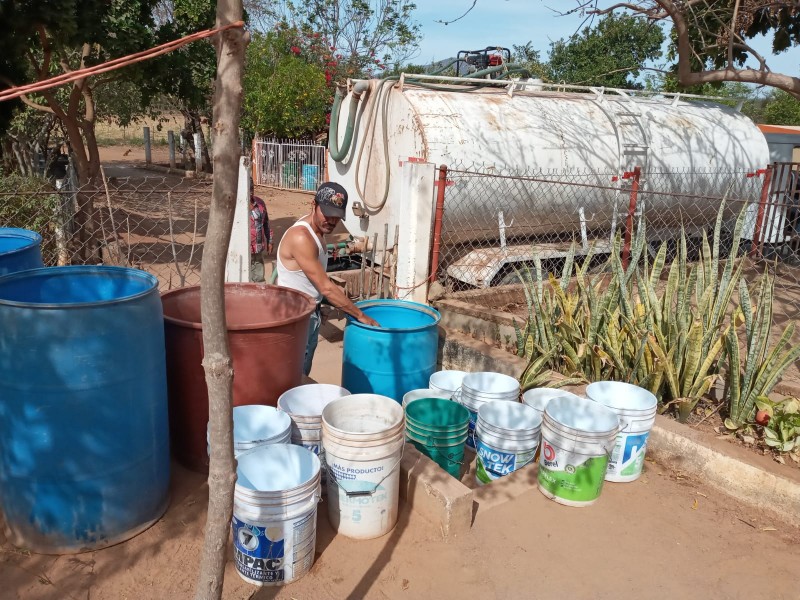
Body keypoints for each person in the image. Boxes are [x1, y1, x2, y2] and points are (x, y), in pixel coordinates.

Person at [276, 181, 379, 375]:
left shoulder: (318, 232)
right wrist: (360, 314)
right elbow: (326, 287)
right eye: (327, 213)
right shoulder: (301, 237)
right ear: (313, 204)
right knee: (293, 376)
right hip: (295, 317)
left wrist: (319, 304)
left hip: (309, 313)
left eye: (337, 217)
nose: (331, 221)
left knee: (303, 372)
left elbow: (309, 281)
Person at [249, 180, 272, 283]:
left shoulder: (260, 203)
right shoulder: (235, 206)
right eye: (248, 190)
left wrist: (270, 240)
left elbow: (266, 223)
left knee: (259, 280)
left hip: (257, 249)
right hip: (242, 251)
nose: (250, 192)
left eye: (251, 189)